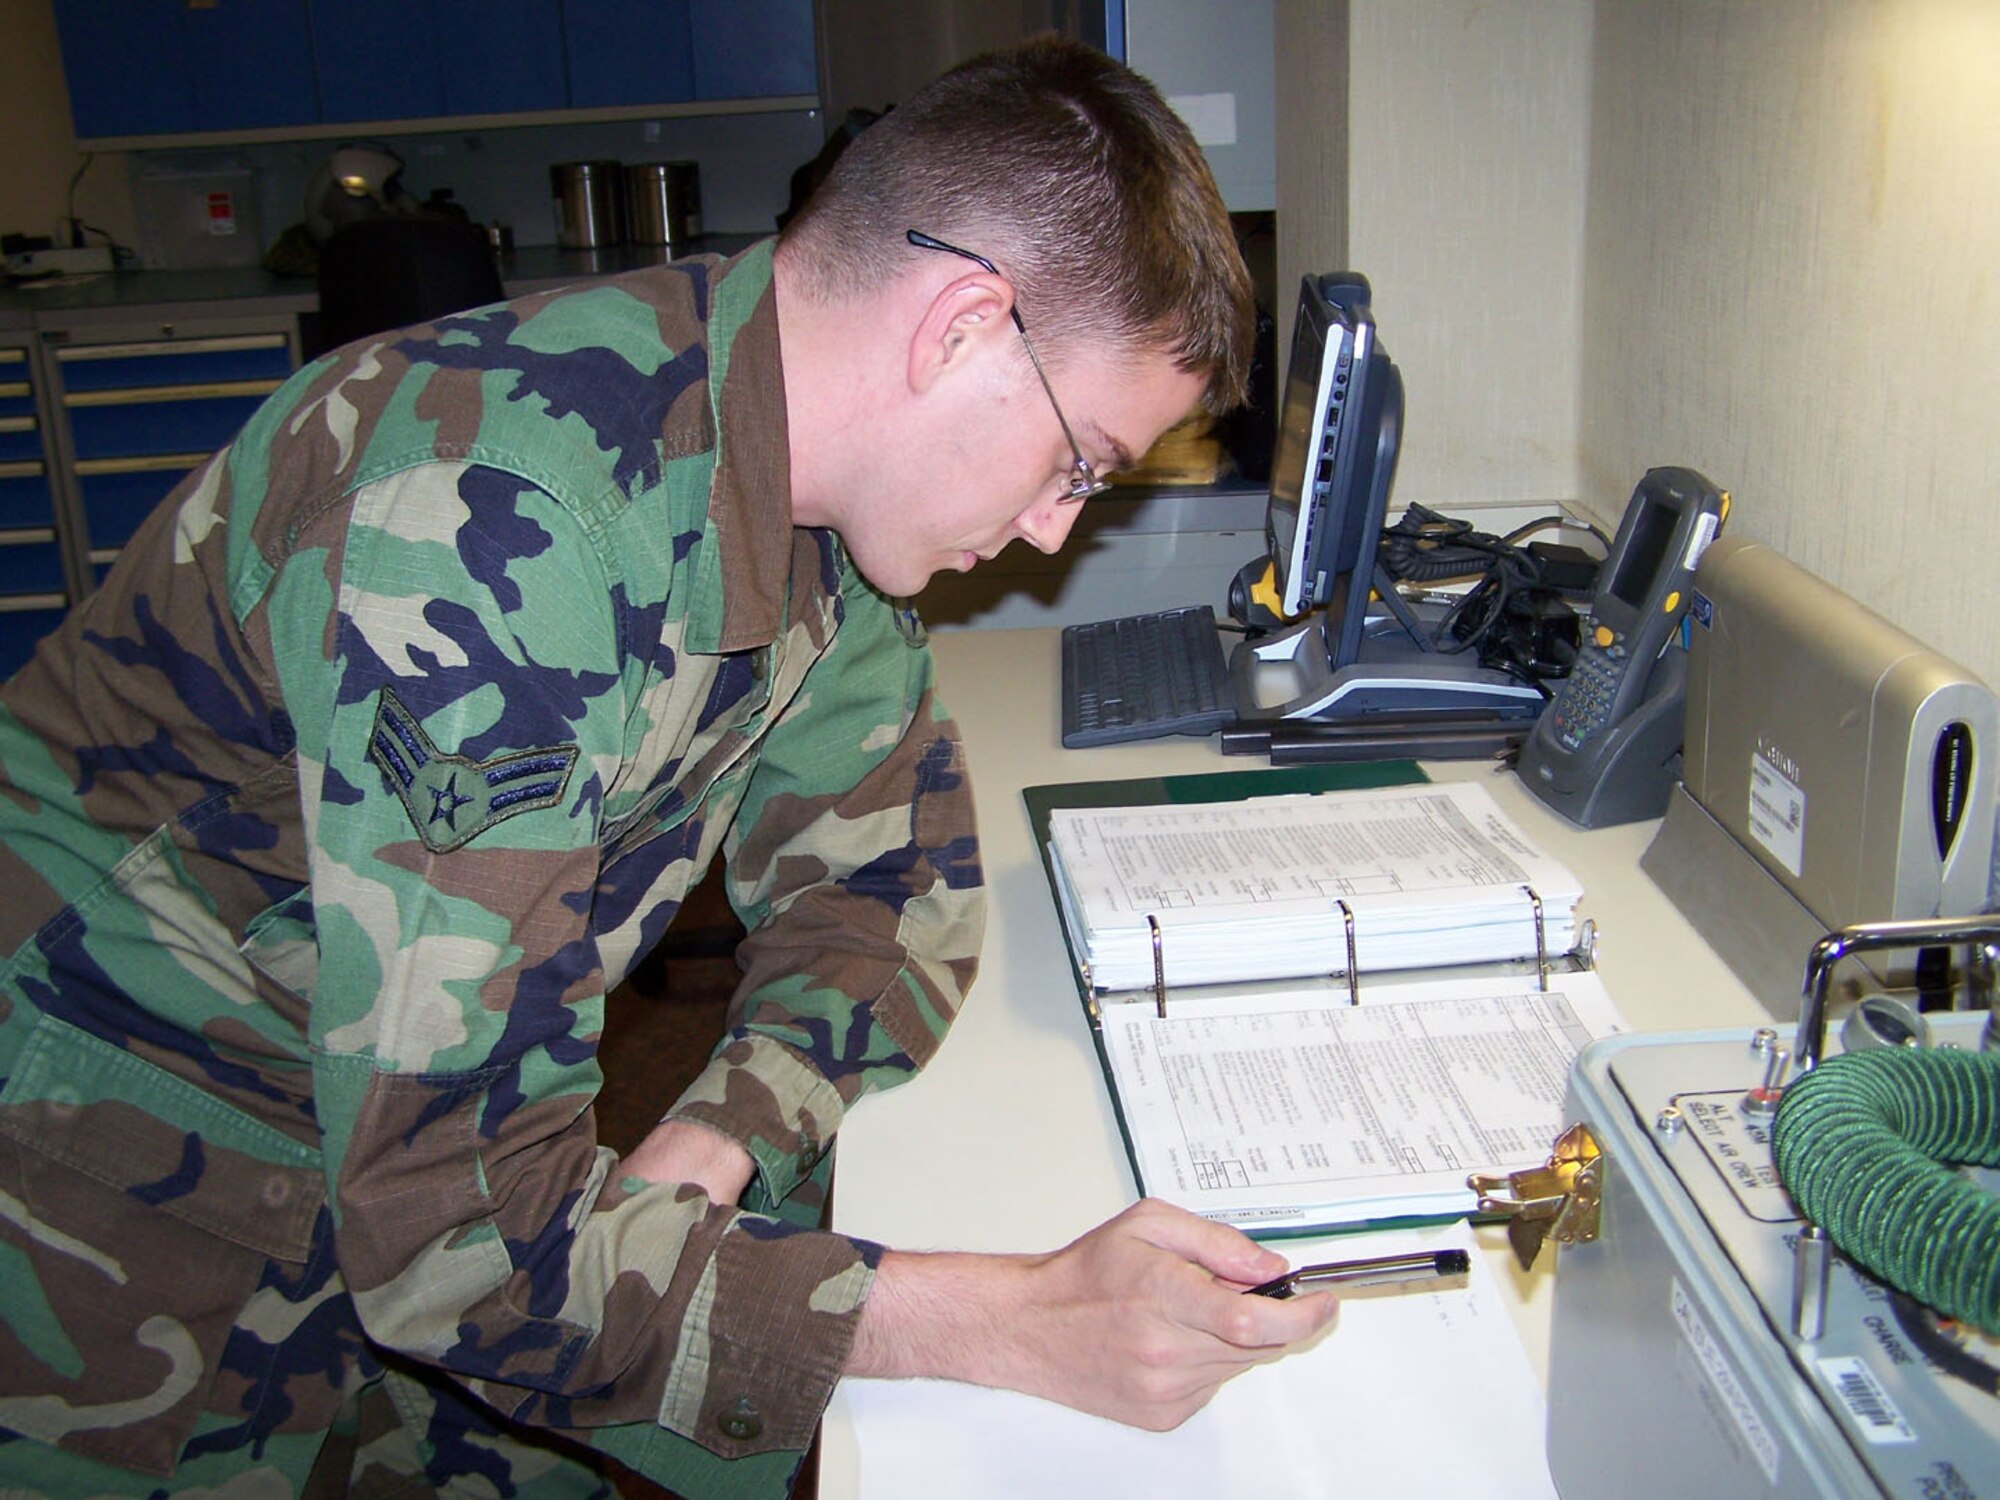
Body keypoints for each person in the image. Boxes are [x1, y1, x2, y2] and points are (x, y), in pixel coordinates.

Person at [0, 36, 1336, 1500]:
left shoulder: (808, 489)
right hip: (106, 1205)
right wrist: (1011, 1321)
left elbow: (900, 885)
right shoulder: (490, 532)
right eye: (1078, 463)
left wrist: (722, 1127)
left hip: (395, 1161)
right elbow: (463, 1252)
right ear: (962, 325)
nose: (1050, 534)